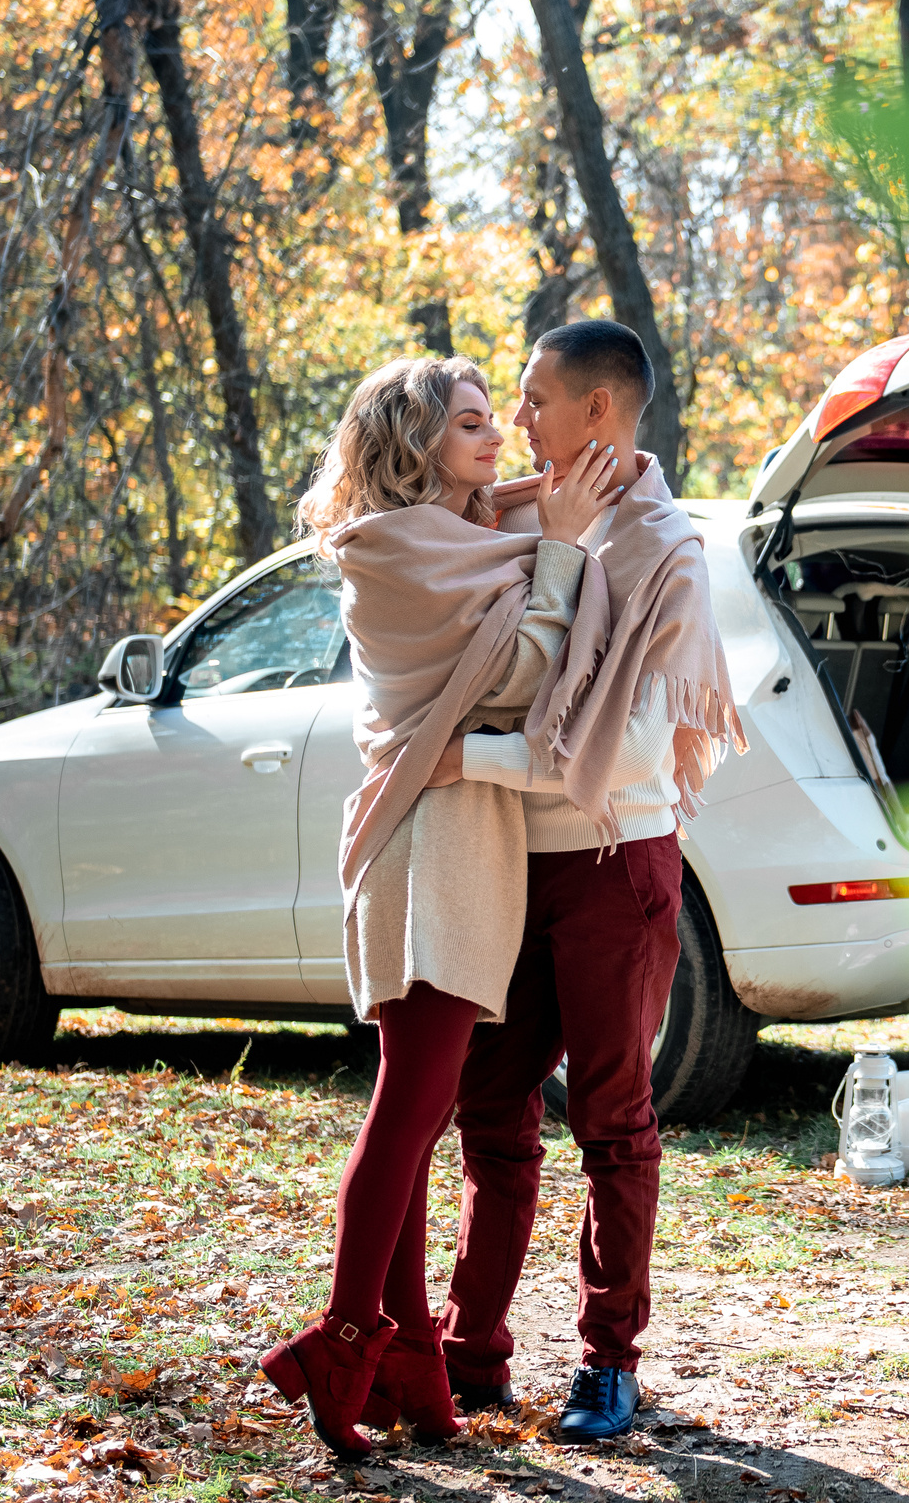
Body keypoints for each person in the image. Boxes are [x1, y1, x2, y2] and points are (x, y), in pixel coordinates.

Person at [259, 356, 622, 1460]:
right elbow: (515, 673)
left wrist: (552, 517)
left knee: (416, 1112)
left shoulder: (466, 533)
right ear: (415, 440)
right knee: (413, 1108)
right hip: (427, 845)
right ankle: (341, 1335)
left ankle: (410, 1353)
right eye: (471, 422)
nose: (495, 438)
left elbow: (521, 537)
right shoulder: (394, 547)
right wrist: (560, 549)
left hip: (458, 842)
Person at [419, 318, 743, 1442]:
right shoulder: (514, 514)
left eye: (535, 398)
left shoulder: (666, 552)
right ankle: (473, 1350)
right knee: (488, 1104)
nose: (518, 420)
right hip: (514, 860)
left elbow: (640, 746)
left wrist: (470, 756)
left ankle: (609, 1360)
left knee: (613, 1118)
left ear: (597, 410)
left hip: (617, 864)